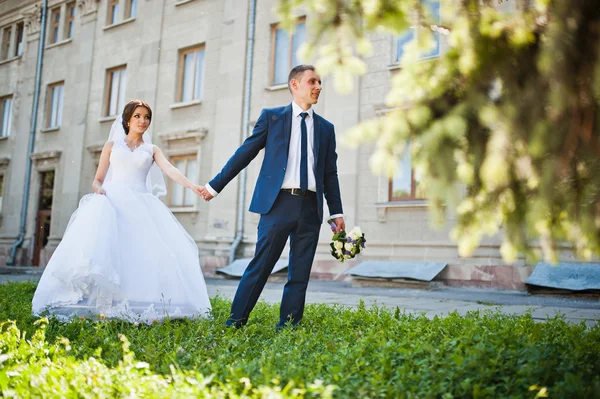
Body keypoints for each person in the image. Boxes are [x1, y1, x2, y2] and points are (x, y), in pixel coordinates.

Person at [32, 100, 211, 323]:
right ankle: (104, 303)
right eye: (137, 116)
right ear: (127, 119)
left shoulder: (152, 150)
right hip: (112, 202)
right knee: (110, 251)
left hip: (141, 206)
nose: (142, 121)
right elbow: (97, 180)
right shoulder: (111, 146)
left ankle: (135, 302)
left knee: (139, 254)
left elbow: (171, 169)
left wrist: (192, 186)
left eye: (146, 117)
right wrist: (100, 193)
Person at [199, 65, 345, 329]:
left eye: (320, 82)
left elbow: (330, 173)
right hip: (278, 203)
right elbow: (245, 153)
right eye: (312, 81)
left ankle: (288, 328)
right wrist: (214, 185)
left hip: (311, 206)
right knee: (260, 266)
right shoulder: (273, 118)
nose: (318, 86)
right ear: (294, 84)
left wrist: (336, 212)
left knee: (299, 273)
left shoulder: (326, 128)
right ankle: (235, 323)